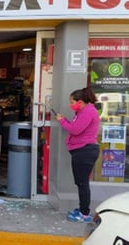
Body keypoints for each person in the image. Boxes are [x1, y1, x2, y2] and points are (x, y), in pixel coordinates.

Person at [54, 87, 100, 223]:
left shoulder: (87, 112)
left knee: (82, 183)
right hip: (83, 151)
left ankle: (84, 214)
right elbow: (76, 127)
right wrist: (65, 120)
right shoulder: (83, 111)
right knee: (81, 182)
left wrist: (61, 121)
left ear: (80, 101)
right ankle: (82, 210)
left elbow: (75, 130)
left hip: (84, 151)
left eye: (72, 101)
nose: (71, 104)